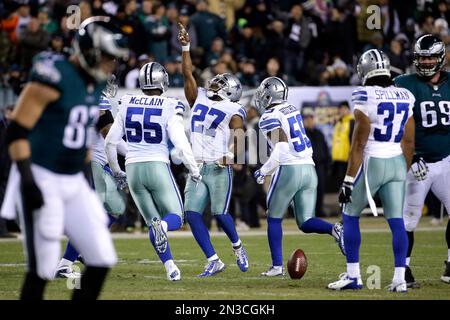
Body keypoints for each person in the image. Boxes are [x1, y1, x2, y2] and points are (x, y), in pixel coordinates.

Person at [0, 16, 129, 300]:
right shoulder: (53, 73)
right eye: (107, 57)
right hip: (41, 174)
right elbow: (17, 132)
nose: (111, 65)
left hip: (72, 180)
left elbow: (82, 140)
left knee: (101, 256)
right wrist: (29, 182)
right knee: (42, 268)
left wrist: (84, 181)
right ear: (90, 50)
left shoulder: (94, 85)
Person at [328, 49, 415, 292]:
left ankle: (354, 275)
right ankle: (399, 279)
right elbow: (409, 142)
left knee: (350, 214)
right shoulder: (405, 95)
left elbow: (359, 142)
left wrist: (347, 179)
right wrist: (403, 169)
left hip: (373, 161)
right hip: (397, 160)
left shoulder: (364, 93)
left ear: (364, 70)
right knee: (397, 220)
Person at [105, 62, 201, 281]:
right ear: (162, 81)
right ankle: (163, 229)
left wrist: (117, 171)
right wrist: (194, 169)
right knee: (175, 217)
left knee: (152, 222)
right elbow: (180, 142)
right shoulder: (169, 105)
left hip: (132, 167)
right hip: (157, 165)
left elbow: (111, 142)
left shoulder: (127, 101)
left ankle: (171, 268)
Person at [252, 76, 344, 277]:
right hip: (309, 169)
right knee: (305, 221)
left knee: (274, 218)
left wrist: (263, 170)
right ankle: (334, 230)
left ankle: (277, 266)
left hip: (289, 169)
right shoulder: (291, 108)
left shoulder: (269, 116)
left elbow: (282, 147)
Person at [178, 22, 249, 277]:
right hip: (197, 166)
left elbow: (239, 134)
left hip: (218, 167)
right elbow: (188, 75)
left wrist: (230, 155)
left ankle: (237, 246)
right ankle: (213, 259)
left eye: (220, 83)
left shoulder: (233, 109)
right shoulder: (198, 97)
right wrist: (185, 47)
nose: (215, 83)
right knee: (192, 215)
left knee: (220, 214)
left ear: (230, 91)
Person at [54, 75, 128, 279]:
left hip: (77, 161)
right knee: (107, 212)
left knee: (109, 211)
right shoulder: (100, 100)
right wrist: (134, 154)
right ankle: (66, 262)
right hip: (93, 164)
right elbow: (109, 136)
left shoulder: (80, 98)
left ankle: (81, 251)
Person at [394, 34, 450, 286]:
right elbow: (394, 124)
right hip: (418, 164)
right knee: (408, 219)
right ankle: (403, 270)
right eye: (422, 57)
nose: (426, 62)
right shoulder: (404, 84)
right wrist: (411, 155)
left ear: (440, 58)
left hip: (447, 161)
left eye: (430, 57)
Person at [303, 109, 330, 217]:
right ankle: (309, 212)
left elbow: (325, 148)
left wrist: (328, 163)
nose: (309, 121)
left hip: (320, 166)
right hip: (308, 165)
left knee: (320, 189)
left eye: (311, 118)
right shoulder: (303, 134)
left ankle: (319, 210)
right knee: (308, 189)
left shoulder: (319, 133)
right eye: (307, 119)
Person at [331, 101, 354, 189]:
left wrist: (352, 156)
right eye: (340, 109)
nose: (342, 111)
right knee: (340, 182)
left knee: (348, 183)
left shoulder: (352, 122)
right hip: (338, 159)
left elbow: (353, 140)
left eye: (344, 109)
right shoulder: (338, 123)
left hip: (347, 159)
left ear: (348, 110)